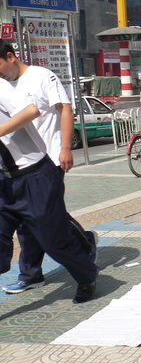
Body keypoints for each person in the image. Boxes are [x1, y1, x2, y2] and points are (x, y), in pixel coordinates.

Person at [0, 41, 97, 295]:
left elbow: (64, 109)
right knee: (27, 224)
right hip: (11, 173)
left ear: (10, 57)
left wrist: (65, 148)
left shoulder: (40, 77)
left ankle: (84, 252)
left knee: (49, 227)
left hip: (46, 161)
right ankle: (30, 274)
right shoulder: (6, 84)